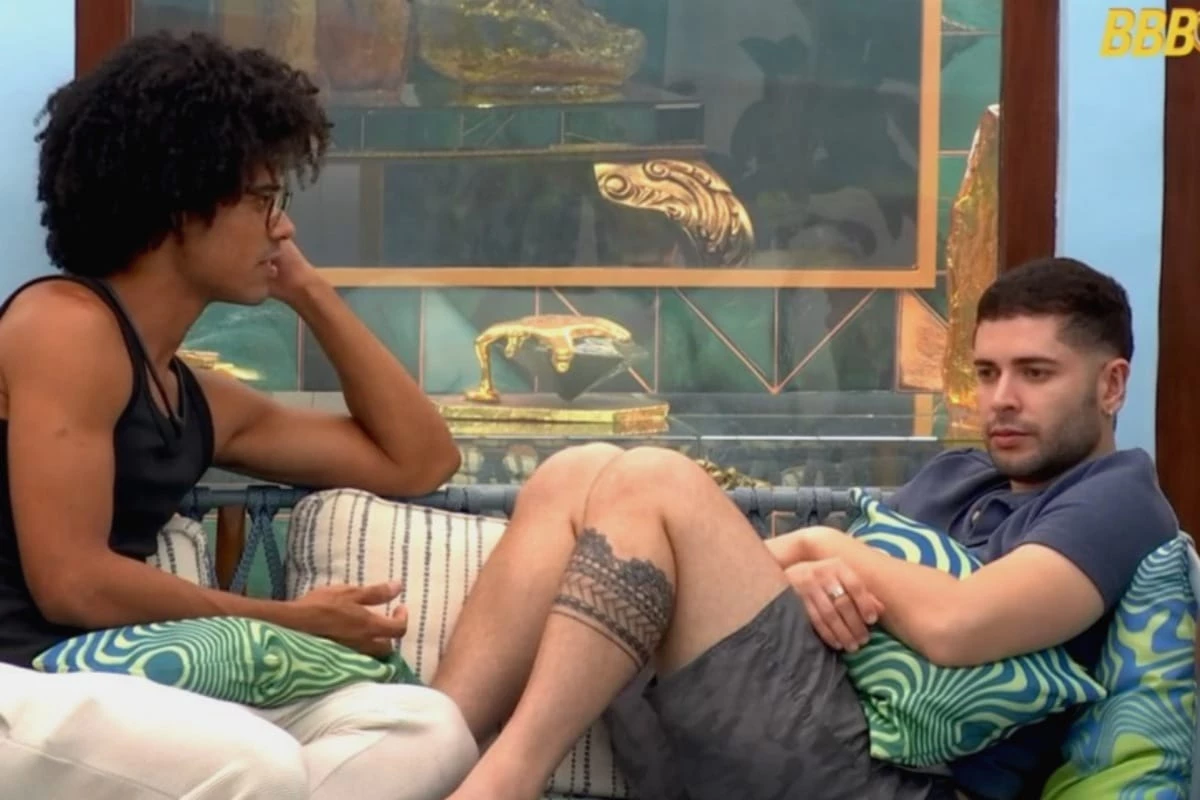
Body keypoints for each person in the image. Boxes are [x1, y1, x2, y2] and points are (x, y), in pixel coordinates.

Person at [431, 257, 1178, 800]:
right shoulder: (960, 475)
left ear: (1111, 385)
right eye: (987, 373)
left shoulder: (1115, 499)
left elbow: (960, 626)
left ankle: (503, 782)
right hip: (767, 736)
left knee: (655, 478)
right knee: (576, 471)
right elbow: (786, 585)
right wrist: (803, 576)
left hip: (894, 778)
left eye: (1035, 374)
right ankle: (433, 745)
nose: (1001, 399)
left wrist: (823, 545)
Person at [0, 31, 476, 800]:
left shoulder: (193, 395)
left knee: (425, 727)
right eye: (263, 201)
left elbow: (419, 460)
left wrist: (309, 293)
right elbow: (72, 583)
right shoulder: (63, 325)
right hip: (17, 681)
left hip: (113, 684)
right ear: (179, 202)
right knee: (256, 765)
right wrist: (287, 619)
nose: (282, 227)